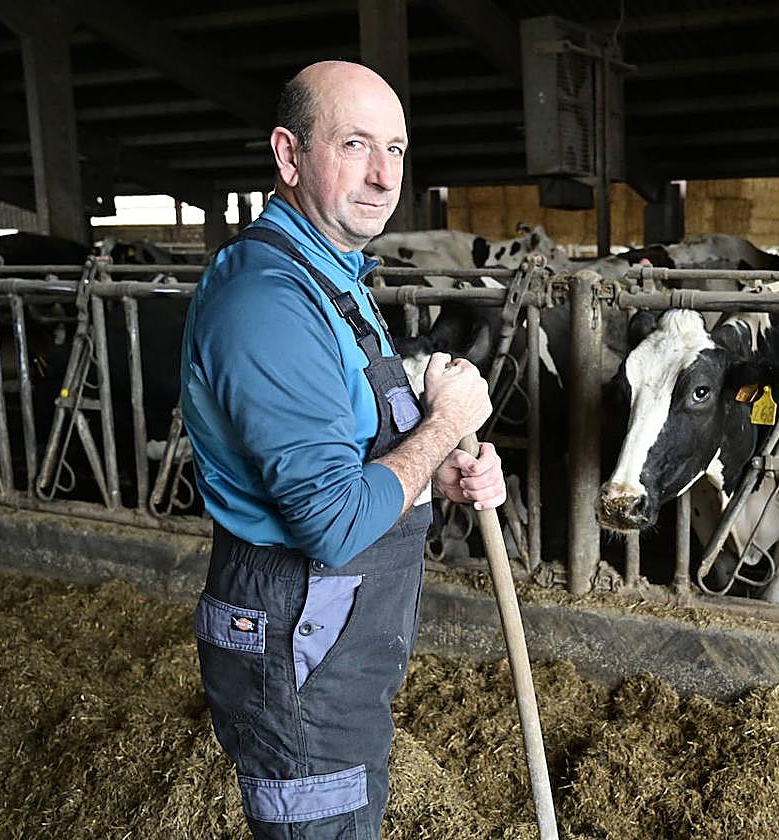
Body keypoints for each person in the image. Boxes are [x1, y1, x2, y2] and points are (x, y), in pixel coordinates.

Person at [180, 60, 506, 839]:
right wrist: (442, 423)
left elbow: (355, 449)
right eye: (355, 143)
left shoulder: (334, 276)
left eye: (395, 149)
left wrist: (441, 475)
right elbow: (329, 520)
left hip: (333, 648)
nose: (383, 173)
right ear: (289, 156)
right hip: (298, 649)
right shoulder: (269, 301)